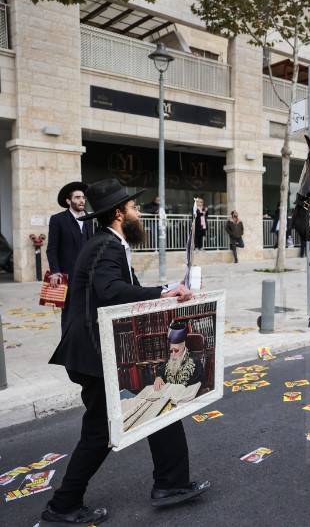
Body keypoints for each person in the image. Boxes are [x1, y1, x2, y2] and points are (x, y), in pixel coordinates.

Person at [43, 179, 210, 524]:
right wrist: (163, 293)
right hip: (94, 356)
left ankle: (171, 483)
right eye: (133, 208)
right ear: (119, 214)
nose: (138, 212)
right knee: (100, 432)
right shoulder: (106, 245)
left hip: (97, 352)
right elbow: (111, 290)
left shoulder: (108, 243)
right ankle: (62, 505)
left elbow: (122, 290)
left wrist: (166, 292)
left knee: (158, 408)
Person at [47, 182, 93, 327]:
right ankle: (66, 347)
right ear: (69, 201)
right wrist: (55, 272)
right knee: (68, 314)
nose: (81, 201)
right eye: (77, 198)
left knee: (88, 312)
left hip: (88, 275)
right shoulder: (58, 219)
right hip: (67, 276)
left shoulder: (90, 219)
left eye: (83, 198)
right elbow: (51, 249)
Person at [153, 322, 205, 390]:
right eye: (171, 351)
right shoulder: (170, 358)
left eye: (176, 351)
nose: (173, 355)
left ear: (183, 347)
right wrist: (158, 378)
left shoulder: (196, 362)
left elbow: (197, 387)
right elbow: (160, 371)